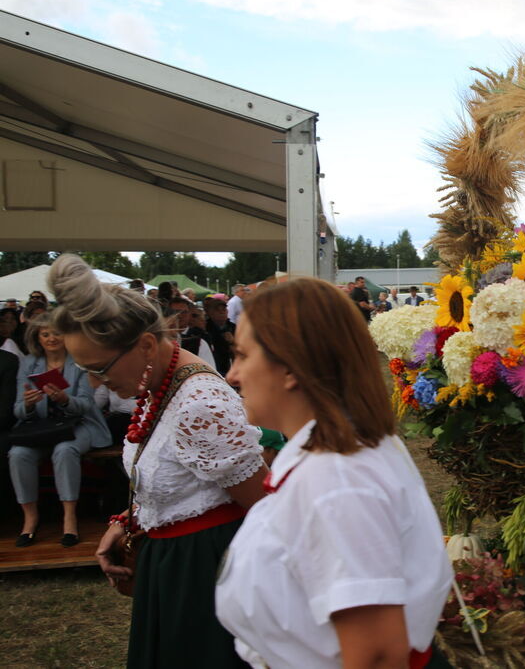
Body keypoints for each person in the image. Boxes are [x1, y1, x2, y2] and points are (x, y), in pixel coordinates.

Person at [216, 278, 453, 669]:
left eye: (242, 356)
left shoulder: (334, 476)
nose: (232, 375)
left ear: (290, 367)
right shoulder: (337, 456)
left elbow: (376, 654)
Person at [48, 254, 266, 668]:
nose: (95, 381)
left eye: (100, 368)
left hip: (205, 574)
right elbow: (181, 477)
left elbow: (264, 505)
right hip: (175, 563)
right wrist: (130, 518)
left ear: (146, 344)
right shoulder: (157, 384)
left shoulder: (197, 404)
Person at [9, 313, 109, 548]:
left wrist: (65, 400)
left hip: (77, 424)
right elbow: (18, 410)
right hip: (40, 428)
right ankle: (30, 518)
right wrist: (29, 404)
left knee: (65, 450)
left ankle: (69, 518)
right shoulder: (28, 363)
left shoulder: (79, 361)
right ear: (38, 338)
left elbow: (86, 404)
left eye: (56, 333)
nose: (51, 338)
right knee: (18, 454)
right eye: (45, 334)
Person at [205, 297, 235, 376]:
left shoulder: (234, 327)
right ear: (210, 313)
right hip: (215, 368)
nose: (221, 312)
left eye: (224, 310)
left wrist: (233, 342)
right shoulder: (206, 328)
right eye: (218, 310)